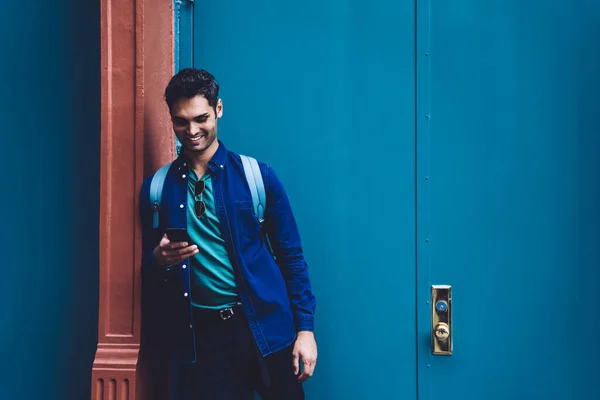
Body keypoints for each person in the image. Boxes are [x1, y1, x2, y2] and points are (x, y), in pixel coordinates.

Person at [139, 68, 317, 399]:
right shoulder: (157, 189)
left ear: (218, 109)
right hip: (203, 339)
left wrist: (305, 330)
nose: (191, 130)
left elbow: (291, 256)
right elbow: (146, 273)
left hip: (266, 328)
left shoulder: (257, 177)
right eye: (180, 121)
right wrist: (158, 259)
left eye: (200, 118)